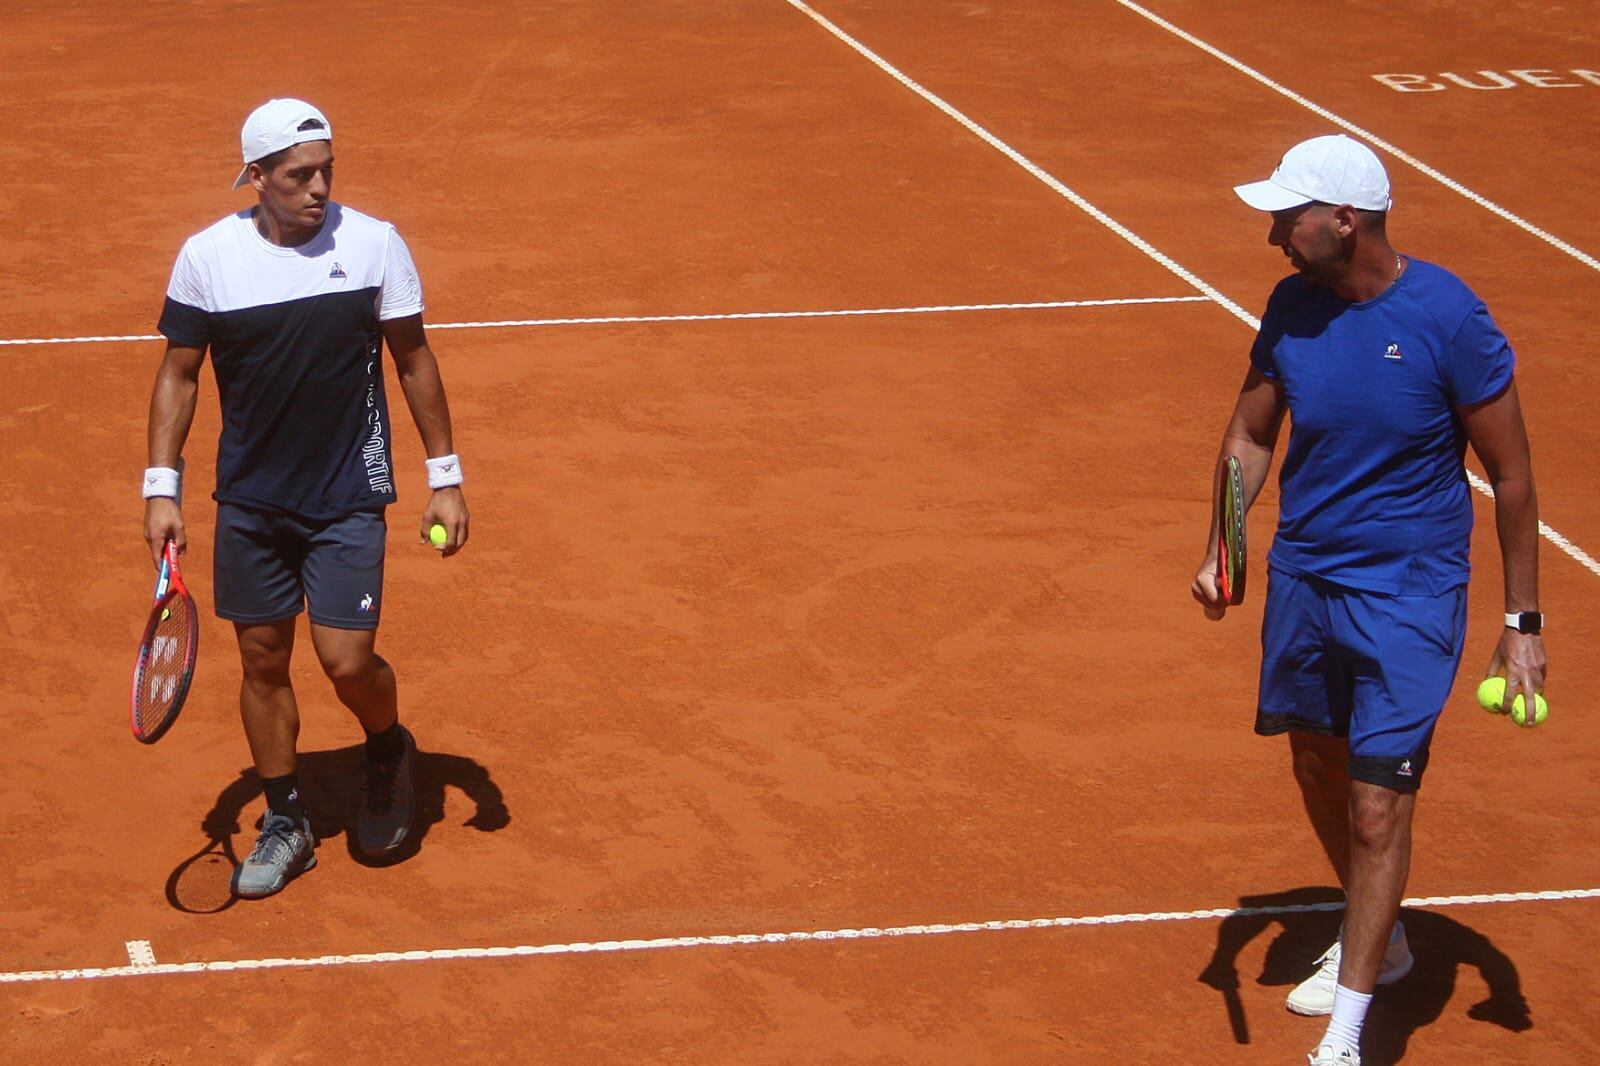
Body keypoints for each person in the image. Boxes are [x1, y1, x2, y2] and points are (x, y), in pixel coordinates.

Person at [1191, 134, 1546, 1066]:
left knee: (1378, 805)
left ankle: (1345, 1042)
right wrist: (1224, 547)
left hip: (1408, 594)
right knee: (1316, 764)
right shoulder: (1291, 306)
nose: (1274, 234)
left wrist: (1521, 625)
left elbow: (1511, 477)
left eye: (1288, 217)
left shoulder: (1448, 317)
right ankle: (1379, 940)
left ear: (1344, 221)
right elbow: (1251, 435)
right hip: (1307, 577)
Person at [143, 98, 470, 899]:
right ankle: (286, 818)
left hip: (348, 489)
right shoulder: (208, 257)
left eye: (326, 171)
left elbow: (413, 359)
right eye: (299, 175)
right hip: (252, 497)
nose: (319, 188)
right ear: (257, 177)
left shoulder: (373, 244)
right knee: (262, 660)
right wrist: (161, 487)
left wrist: (446, 477)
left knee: (345, 660)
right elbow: (179, 375)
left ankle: (387, 747)